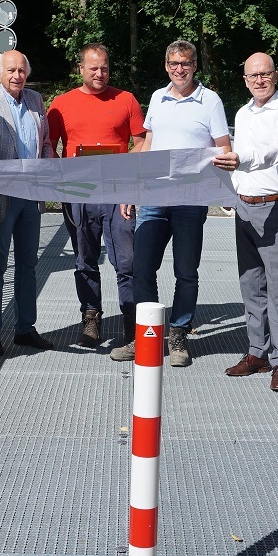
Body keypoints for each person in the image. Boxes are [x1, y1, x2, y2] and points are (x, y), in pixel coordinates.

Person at [111, 40, 230, 367]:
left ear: (195, 67)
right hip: (153, 199)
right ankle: (144, 336)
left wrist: (220, 189)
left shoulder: (210, 100)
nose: (180, 69)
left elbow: (223, 148)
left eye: (186, 64)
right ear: (166, 66)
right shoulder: (157, 98)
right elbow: (148, 144)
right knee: (142, 268)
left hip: (191, 201)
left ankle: (178, 334)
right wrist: (129, 190)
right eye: (174, 64)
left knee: (186, 270)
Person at [46, 43, 146, 349]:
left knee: (126, 260)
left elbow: (141, 141)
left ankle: (130, 318)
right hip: (79, 194)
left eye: (104, 67)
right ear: (81, 68)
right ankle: (91, 316)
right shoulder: (61, 104)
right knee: (84, 259)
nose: (99, 73)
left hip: (118, 194)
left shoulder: (126, 99)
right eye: (93, 68)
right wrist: (62, 179)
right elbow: (49, 148)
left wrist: (128, 180)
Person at [213, 52, 278, 392]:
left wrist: (241, 160)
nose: (259, 80)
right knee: (251, 284)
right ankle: (256, 353)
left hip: (275, 206)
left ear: (275, 76)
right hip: (245, 207)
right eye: (253, 76)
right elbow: (235, 160)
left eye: (265, 74)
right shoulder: (243, 113)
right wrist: (230, 194)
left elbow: (275, 151)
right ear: (246, 80)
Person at [0, 49, 53, 354]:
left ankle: (25, 328)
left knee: (28, 264)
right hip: (2, 197)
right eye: (10, 70)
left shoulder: (35, 100)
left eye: (21, 70)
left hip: (30, 196)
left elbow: (44, 142)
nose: (17, 75)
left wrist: (47, 166)